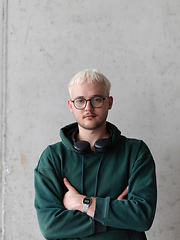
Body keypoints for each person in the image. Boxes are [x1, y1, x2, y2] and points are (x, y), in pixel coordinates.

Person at [34, 69, 157, 240]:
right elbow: (50, 226)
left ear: (109, 102)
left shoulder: (136, 152)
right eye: (80, 101)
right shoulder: (53, 157)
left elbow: (142, 217)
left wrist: (82, 203)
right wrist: (111, 217)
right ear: (71, 106)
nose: (88, 107)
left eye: (97, 99)